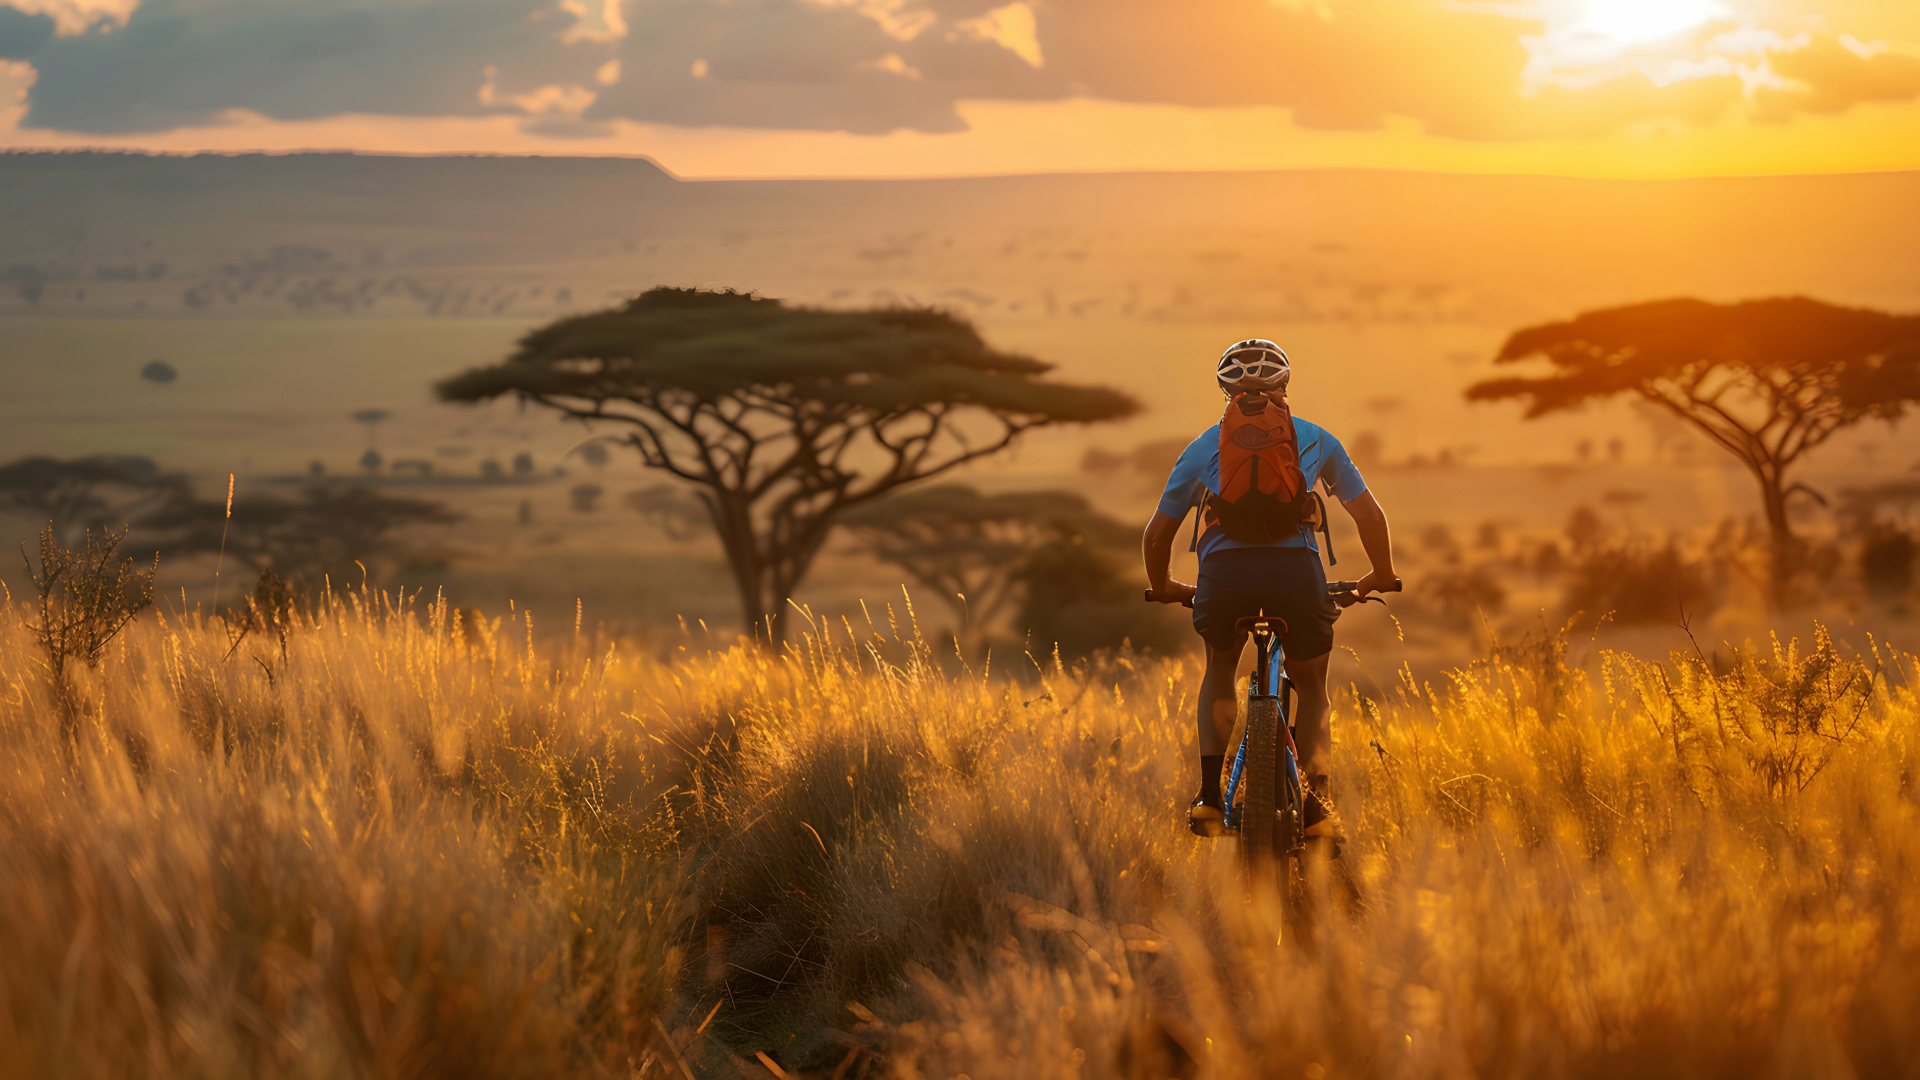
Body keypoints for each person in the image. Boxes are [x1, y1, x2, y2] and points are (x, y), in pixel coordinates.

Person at [1143, 339, 1399, 838]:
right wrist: (1381, 575)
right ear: (1284, 386)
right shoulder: (1317, 439)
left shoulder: (1203, 447)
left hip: (1223, 580)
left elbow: (1157, 534)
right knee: (1312, 686)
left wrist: (1166, 586)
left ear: (1225, 391)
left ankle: (1211, 799)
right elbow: (1369, 514)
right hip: (1296, 578)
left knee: (1220, 664)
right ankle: (1319, 806)